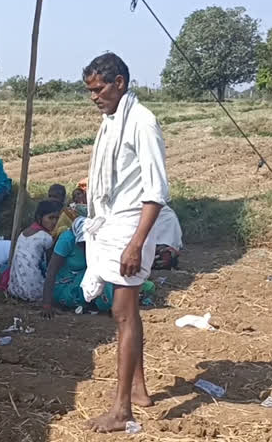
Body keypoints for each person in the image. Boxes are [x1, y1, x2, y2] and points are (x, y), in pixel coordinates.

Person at [79, 53, 166, 432]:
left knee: (123, 312)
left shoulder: (142, 123)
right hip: (114, 225)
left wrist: (137, 243)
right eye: (90, 91)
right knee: (127, 311)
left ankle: (121, 410)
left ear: (120, 83)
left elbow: (156, 190)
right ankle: (139, 389)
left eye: (99, 89)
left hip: (132, 227)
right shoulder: (111, 121)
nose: (94, 97)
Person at [6, 200, 62, 301]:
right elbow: (50, 266)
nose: (54, 222)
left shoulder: (24, 232)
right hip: (34, 290)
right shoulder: (46, 238)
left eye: (57, 218)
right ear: (39, 218)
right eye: (51, 218)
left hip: (14, 288)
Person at [42, 217, 93, 315]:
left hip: (80, 281)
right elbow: (51, 271)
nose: (85, 245)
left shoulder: (94, 242)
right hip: (64, 286)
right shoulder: (67, 240)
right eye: (82, 243)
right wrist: (47, 304)